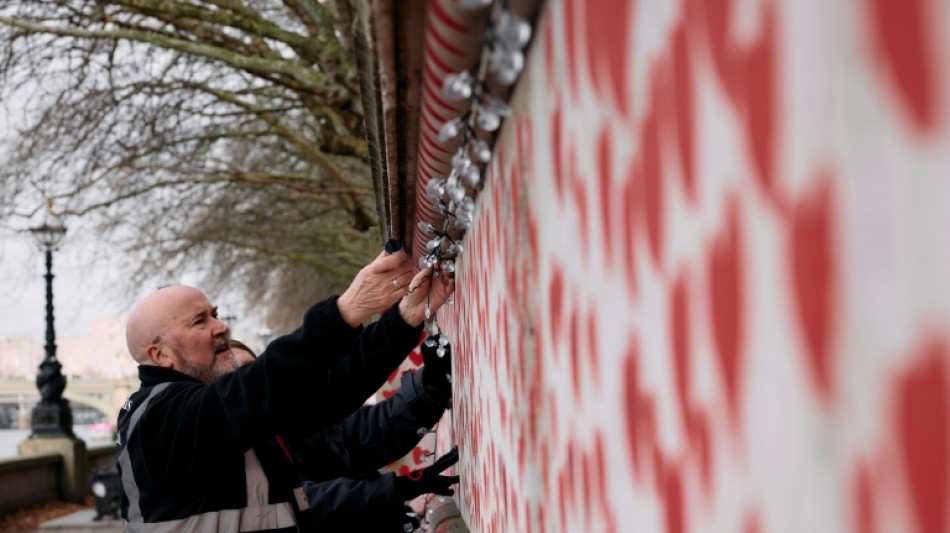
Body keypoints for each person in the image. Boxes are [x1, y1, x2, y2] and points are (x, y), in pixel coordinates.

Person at [116, 250, 454, 532]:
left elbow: (325, 393)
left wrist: (403, 320)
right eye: (199, 321)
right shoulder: (156, 420)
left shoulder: (223, 418)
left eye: (215, 314)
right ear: (159, 355)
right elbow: (267, 381)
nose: (222, 327)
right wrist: (346, 310)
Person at [230, 335, 457, 532]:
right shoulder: (220, 477)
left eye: (252, 370)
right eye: (236, 380)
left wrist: (429, 387)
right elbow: (306, 504)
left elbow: (367, 432)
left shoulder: (292, 424)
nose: (251, 385)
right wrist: (397, 488)